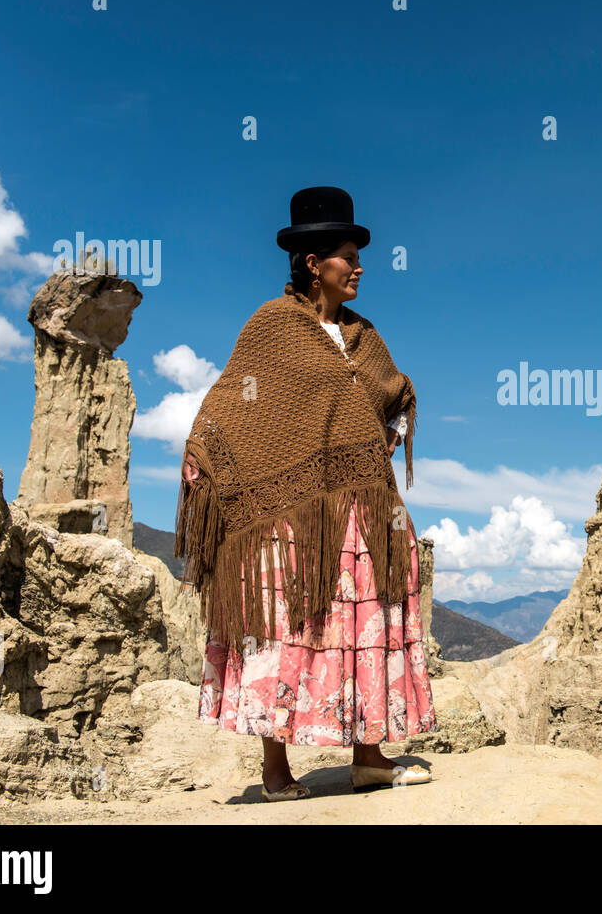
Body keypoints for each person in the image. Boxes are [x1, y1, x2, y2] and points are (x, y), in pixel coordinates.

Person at [175, 186, 436, 801]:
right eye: (348, 255)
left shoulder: (365, 336)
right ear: (314, 263)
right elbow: (228, 404)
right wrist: (205, 462)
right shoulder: (272, 328)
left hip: (363, 510)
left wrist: (392, 428)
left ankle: (369, 756)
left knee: (368, 621)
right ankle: (275, 771)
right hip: (291, 515)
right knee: (287, 625)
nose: (360, 267)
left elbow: (389, 392)